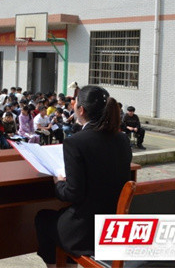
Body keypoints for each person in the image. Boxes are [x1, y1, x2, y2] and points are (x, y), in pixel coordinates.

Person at [35, 85, 132, 267]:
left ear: (81, 110)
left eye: (75, 103)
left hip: (86, 233)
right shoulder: (122, 139)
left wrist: (59, 183)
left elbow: (73, 194)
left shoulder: (75, 142)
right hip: (114, 228)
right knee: (62, 217)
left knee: (43, 219)